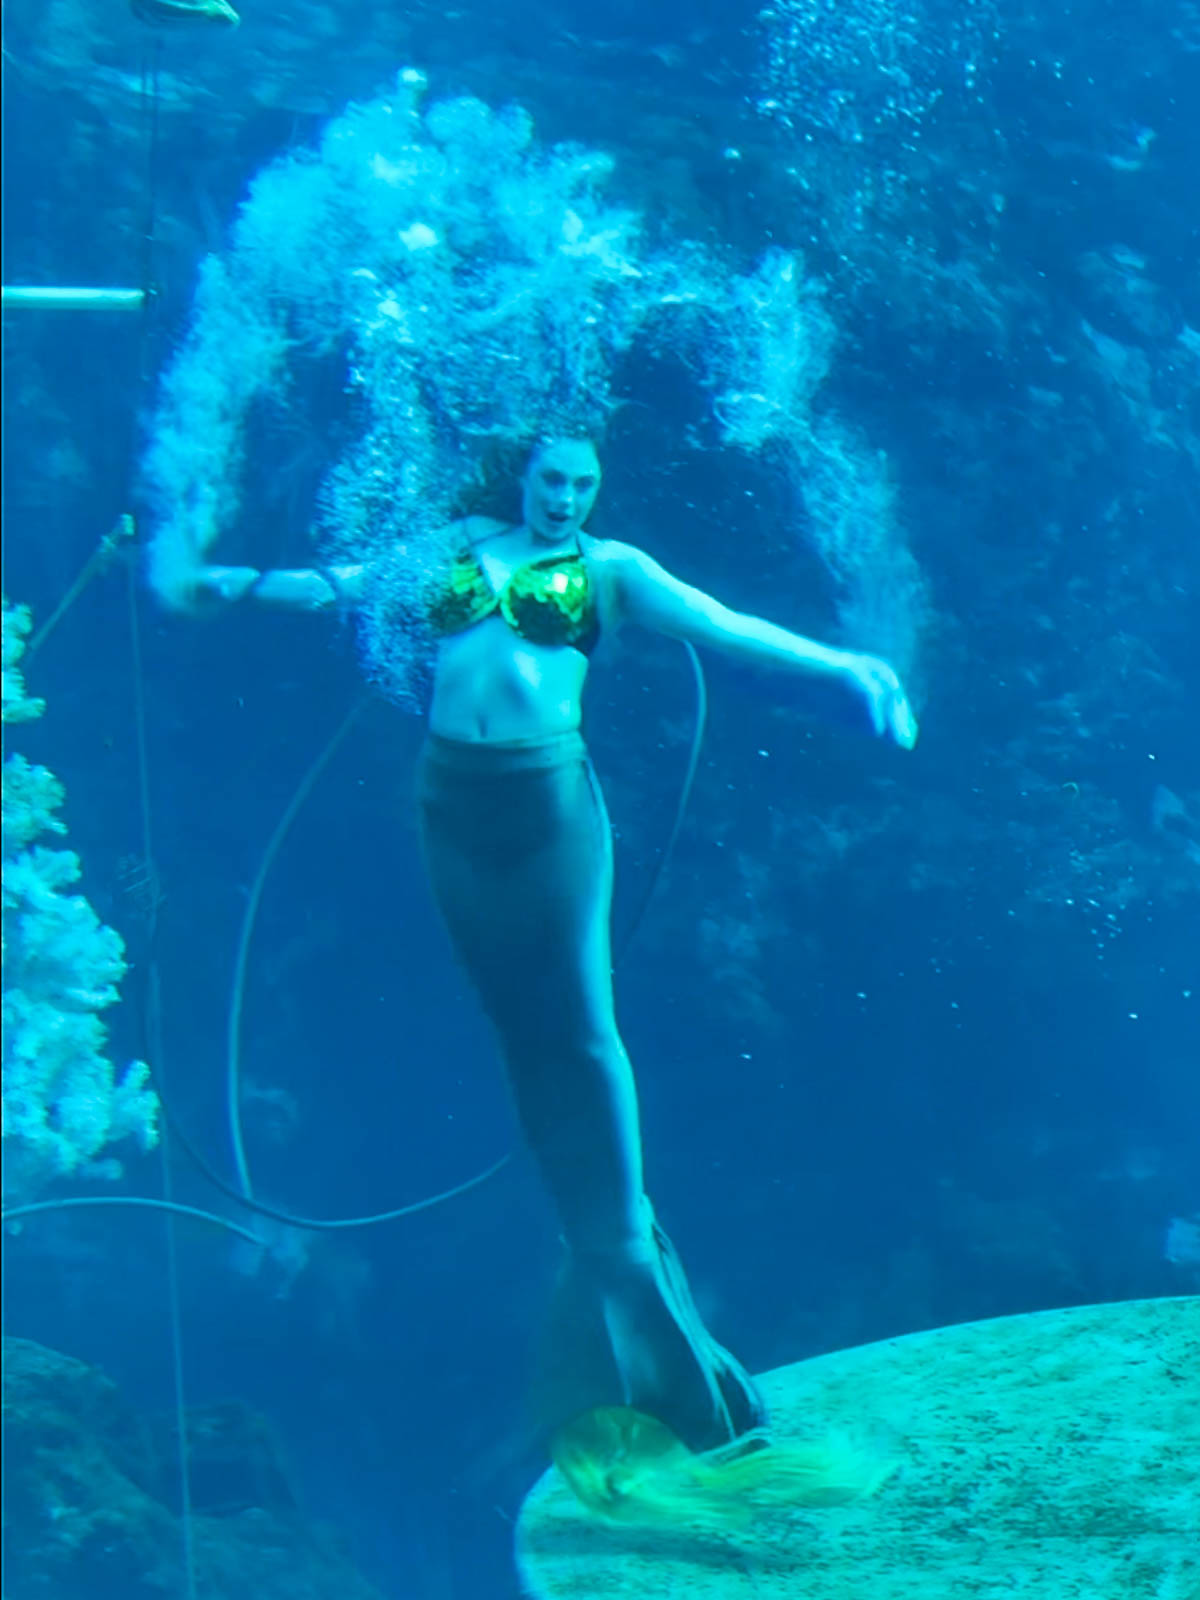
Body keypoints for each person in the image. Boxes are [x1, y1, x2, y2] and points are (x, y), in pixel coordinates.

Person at [188, 431, 918, 1469]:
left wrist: (845, 664)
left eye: (584, 483)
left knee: (580, 1033)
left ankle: (625, 1258)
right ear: (520, 477)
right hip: (452, 808)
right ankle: (599, 1250)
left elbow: (722, 624)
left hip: (548, 811)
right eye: (552, 480)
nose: (567, 499)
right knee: (519, 1037)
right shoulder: (454, 545)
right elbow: (342, 584)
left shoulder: (611, 571)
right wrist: (233, 582)